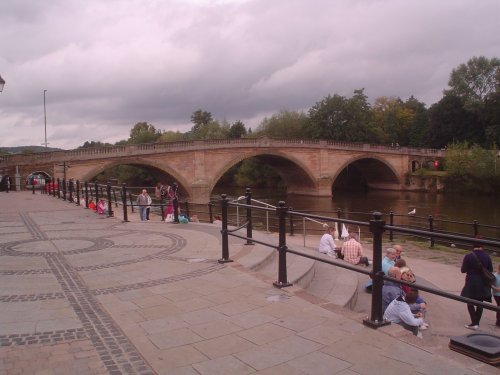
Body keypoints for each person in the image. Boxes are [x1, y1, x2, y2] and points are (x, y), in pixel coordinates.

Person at [460, 240, 493, 330]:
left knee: (469, 301)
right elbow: (490, 270)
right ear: (483, 245)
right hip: (482, 281)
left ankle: (474, 322)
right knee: (480, 302)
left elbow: (463, 270)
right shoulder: (487, 257)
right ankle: (476, 323)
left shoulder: (468, 256)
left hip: (471, 280)